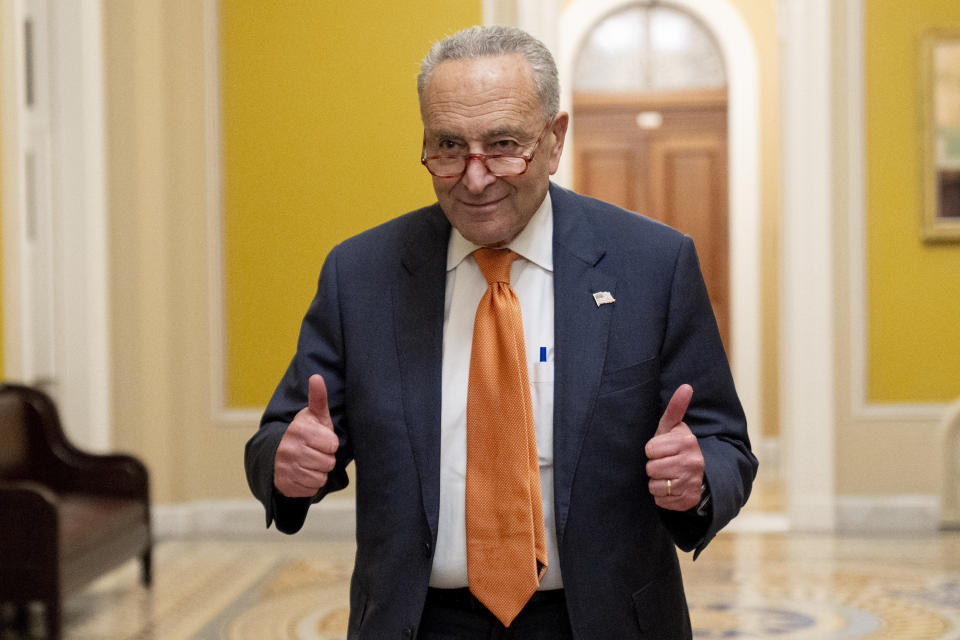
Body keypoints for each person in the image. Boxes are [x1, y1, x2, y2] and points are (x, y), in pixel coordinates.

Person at [245, 25, 756, 639]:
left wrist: (700, 478)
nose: (475, 177)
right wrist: (286, 463)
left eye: (504, 145)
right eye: (449, 146)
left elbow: (725, 444)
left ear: (555, 139)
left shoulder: (652, 264)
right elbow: (281, 434)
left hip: (600, 621)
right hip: (419, 623)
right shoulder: (362, 276)